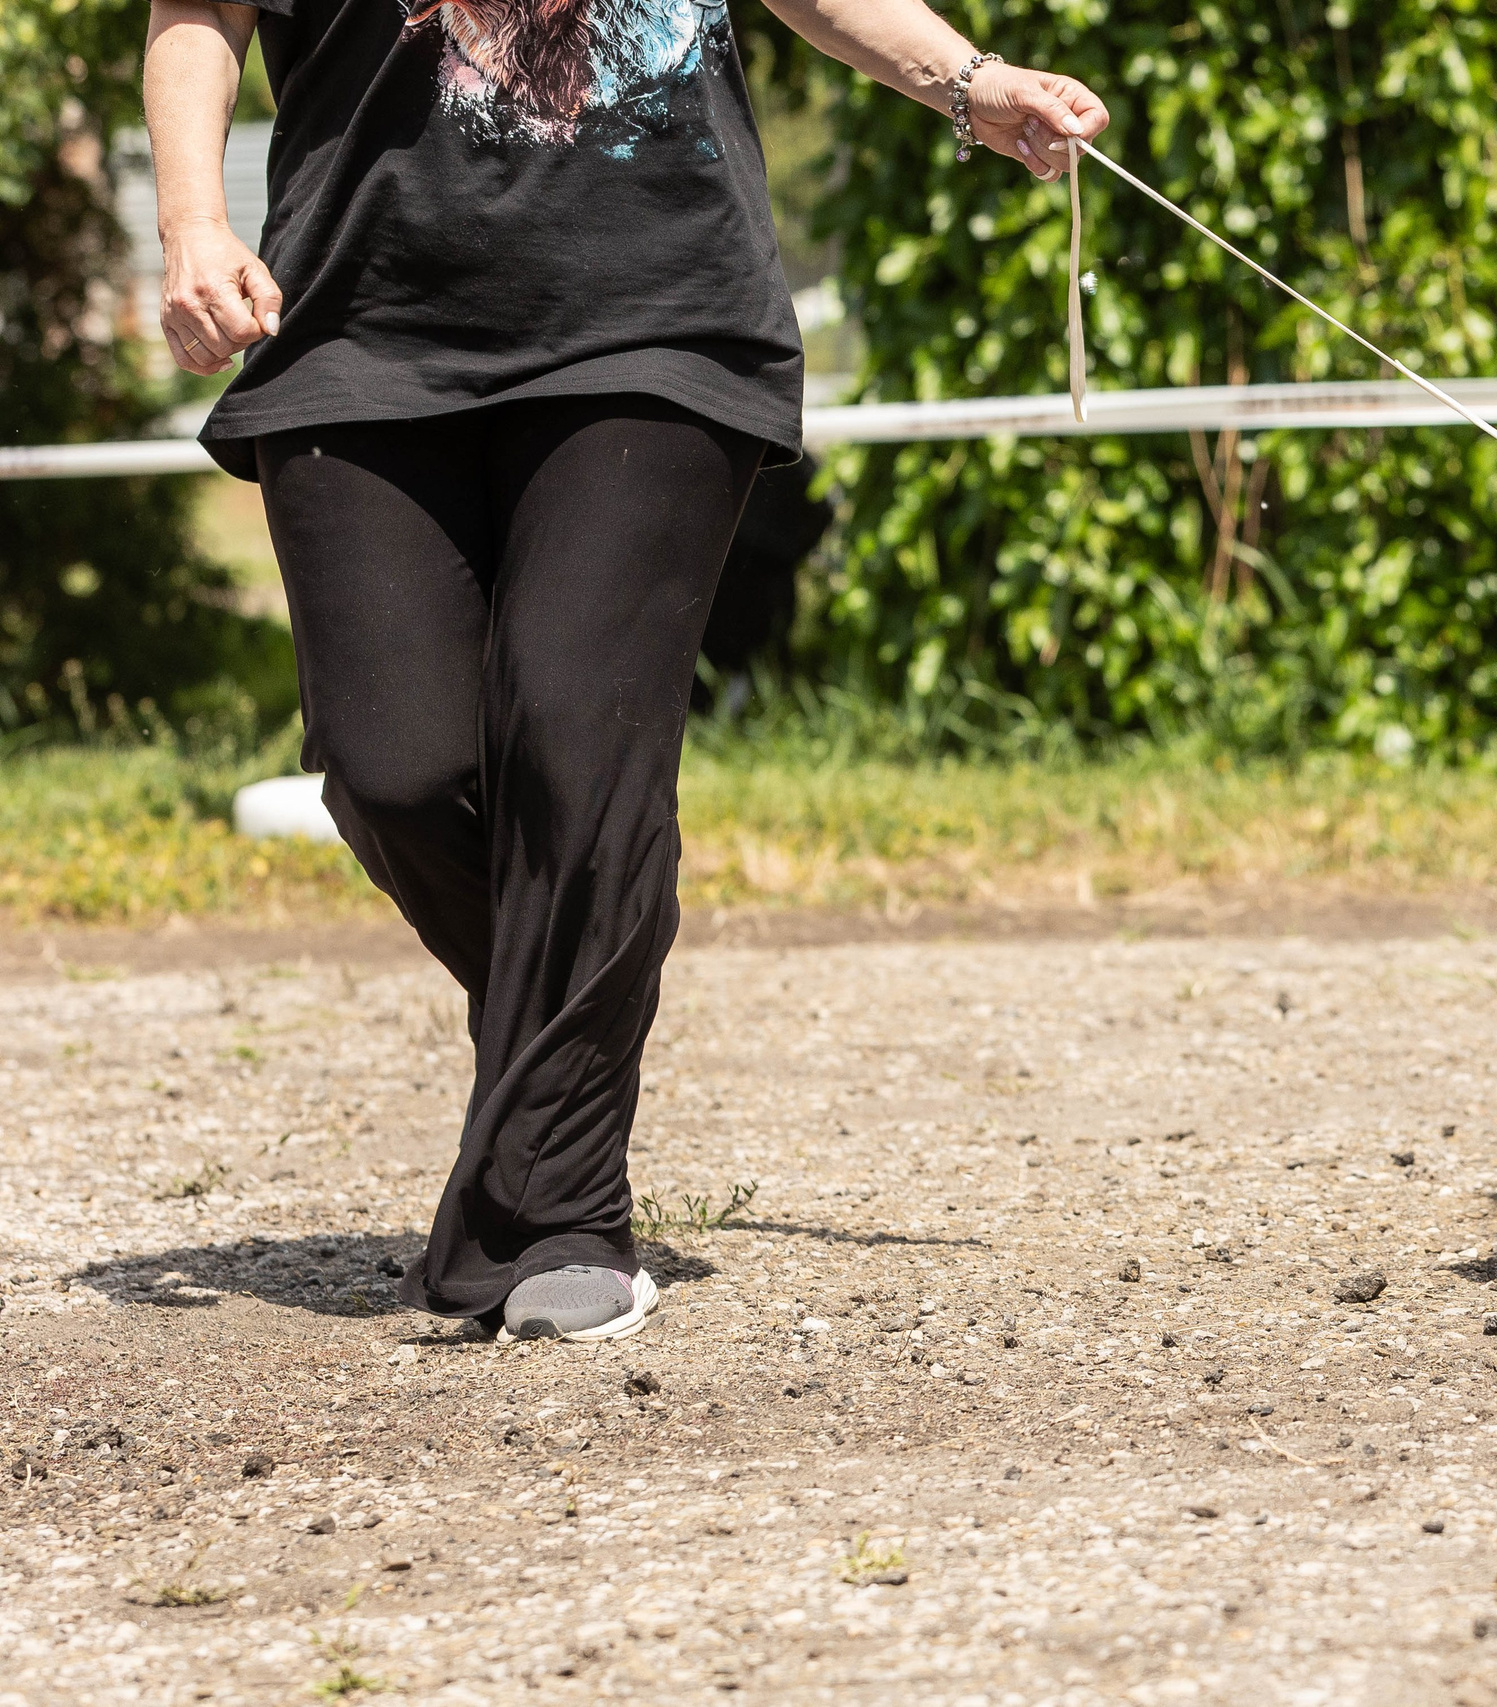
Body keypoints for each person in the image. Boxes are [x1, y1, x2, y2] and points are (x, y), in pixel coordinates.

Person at [145, 0, 1106, 1341]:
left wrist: (970, 81)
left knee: (573, 740)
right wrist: (193, 222)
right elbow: (197, 12)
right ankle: (578, 979)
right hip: (353, 317)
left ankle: (560, 1213)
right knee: (392, 769)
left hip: (657, 314)